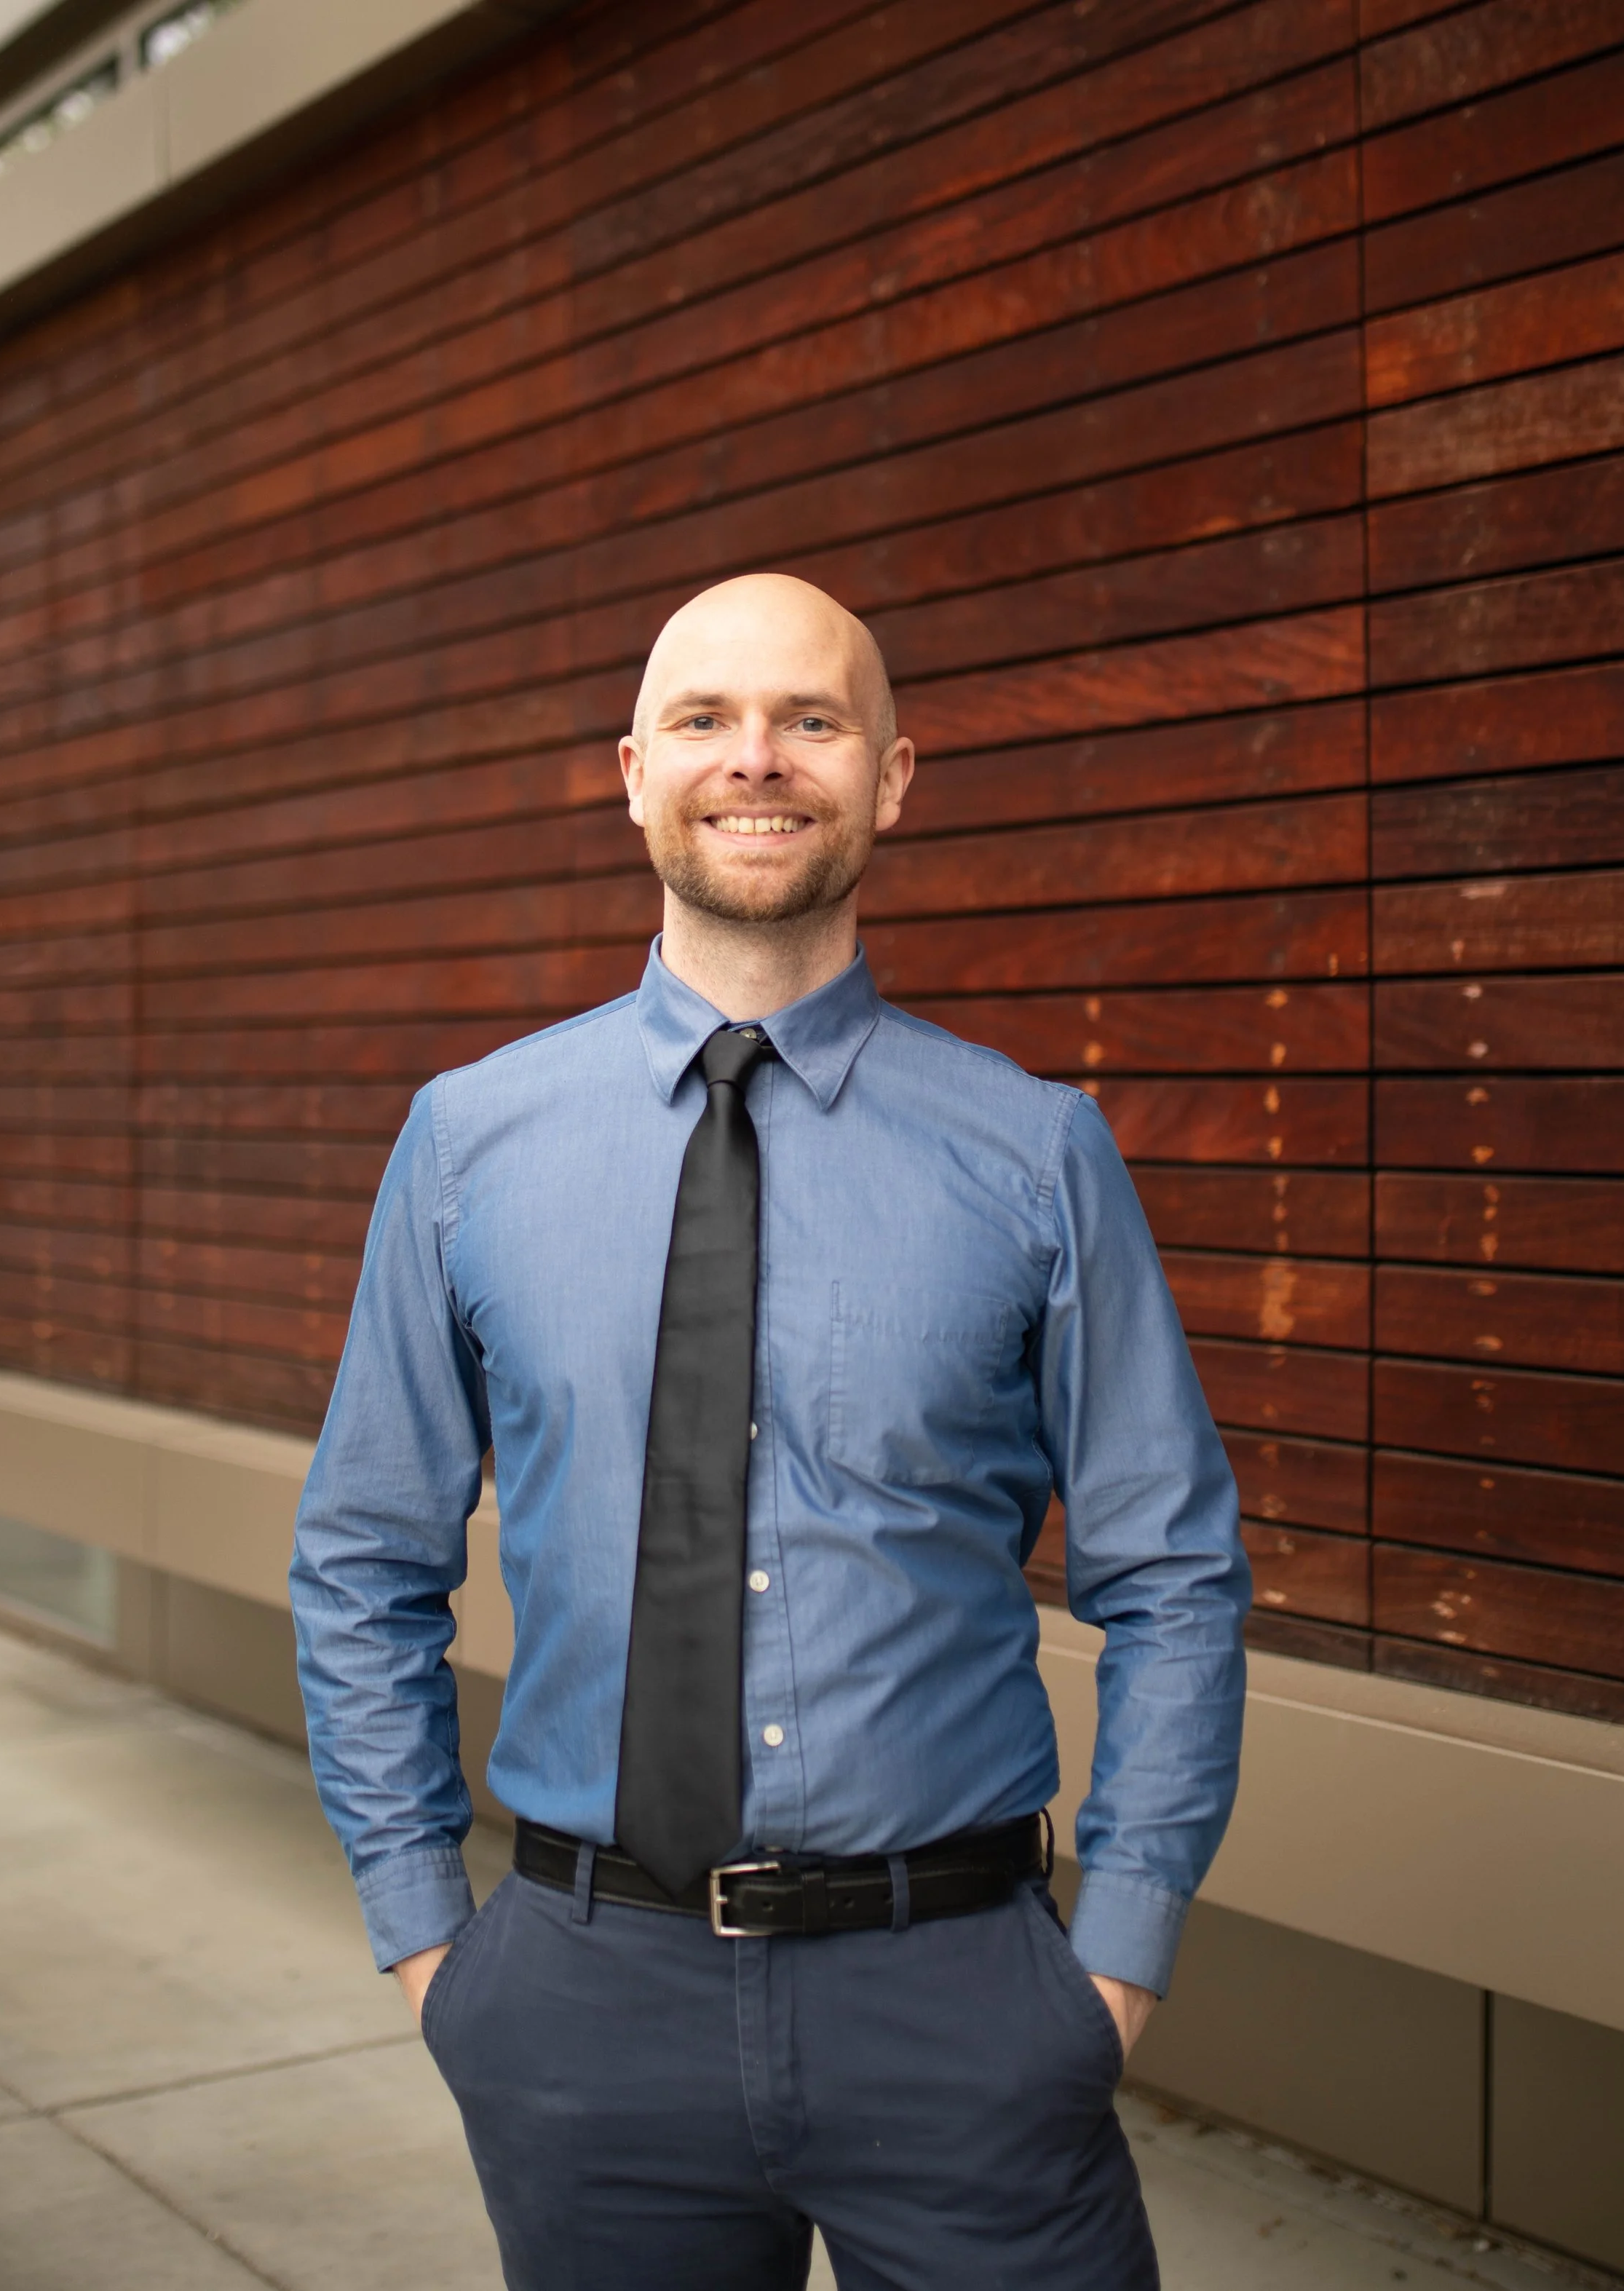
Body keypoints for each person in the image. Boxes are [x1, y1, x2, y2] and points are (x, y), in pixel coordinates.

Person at [290, 572, 1248, 2290]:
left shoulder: (1034, 1154)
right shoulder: (465, 1144)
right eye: (705, 720)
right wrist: (430, 1938)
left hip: (959, 2006)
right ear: (631, 770)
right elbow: (364, 1558)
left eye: (810, 720)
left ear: (887, 777)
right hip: (585, 2002)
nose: (758, 760)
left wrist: (1112, 1959)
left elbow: (1171, 1572)